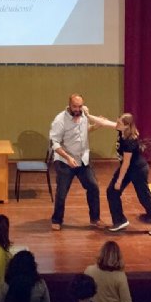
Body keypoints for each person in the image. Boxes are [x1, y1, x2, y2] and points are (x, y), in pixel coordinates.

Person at [83, 110, 151, 236]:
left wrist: (119, 181)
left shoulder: (129, 140)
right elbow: (104, 122)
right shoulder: (122, 129)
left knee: (144, 197)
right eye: (117, 122)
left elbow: (126, 163)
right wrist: (88, 115)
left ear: (127, 125)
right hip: (128, 168)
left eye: (119, 123)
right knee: (112, 191)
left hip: (138, 170)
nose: (116, 124)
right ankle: (120, 221)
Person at [49, 93, 104, 231]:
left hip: (83, 159)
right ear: (69, 105)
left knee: (93, 187)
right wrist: (68, 158)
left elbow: (85, 130)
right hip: (65, 161)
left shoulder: (84, 114)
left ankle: (95, 218)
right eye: (75, 106)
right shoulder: (60, 120)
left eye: (80, 106)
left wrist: (96, 126)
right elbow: (54, 143)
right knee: (62, 192)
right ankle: (57, 220)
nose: (78, 109)